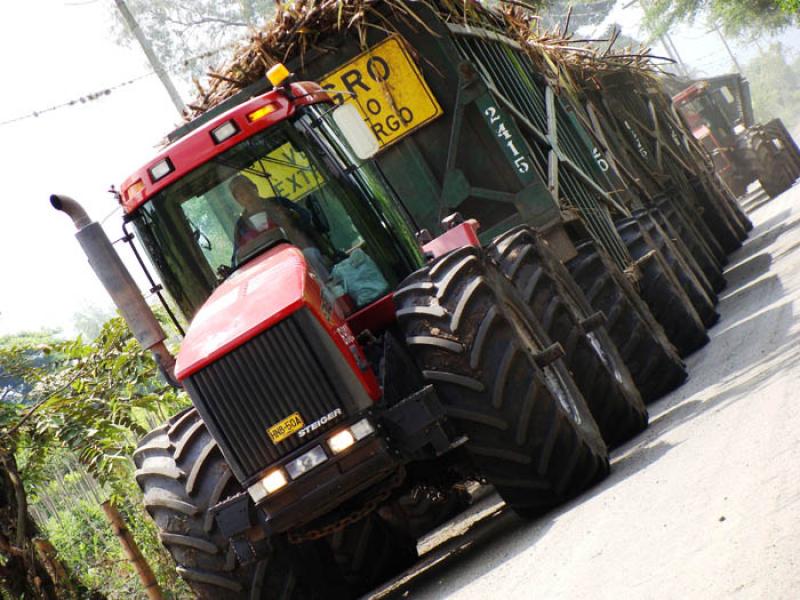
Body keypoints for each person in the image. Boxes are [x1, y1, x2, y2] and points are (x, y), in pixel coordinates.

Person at [228, 175, 330, 276]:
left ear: (255, 188)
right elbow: (237, 258)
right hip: (270, 272)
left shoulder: (279, 203)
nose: (247, 196)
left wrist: (290, 215)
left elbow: (306, 218)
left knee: (310, 255)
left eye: (248, 190)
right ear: (237, 201)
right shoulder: (241, 227)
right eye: (241, 195)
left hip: (299, 254)